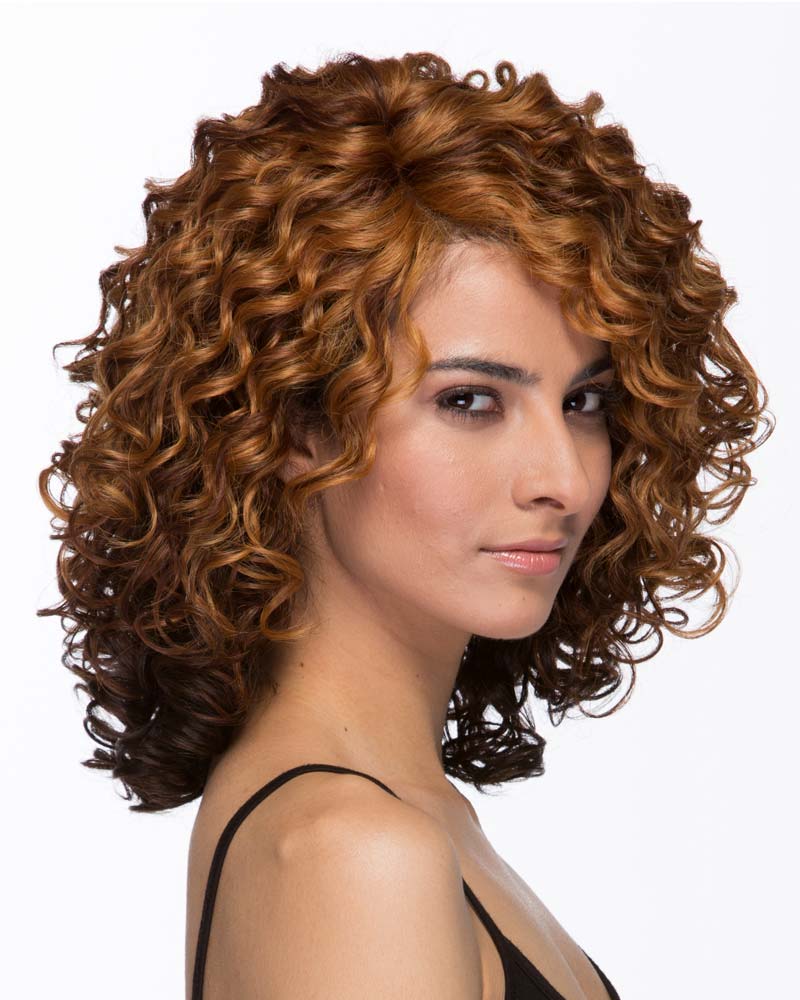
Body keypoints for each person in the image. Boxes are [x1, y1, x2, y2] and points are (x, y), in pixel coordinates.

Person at [37, 52, 773, 1000]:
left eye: (585, 403)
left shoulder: (406, 821)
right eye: (471, 401)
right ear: (292, 424)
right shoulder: (353, 856)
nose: (564, 480)